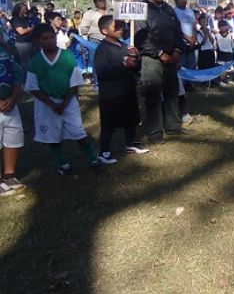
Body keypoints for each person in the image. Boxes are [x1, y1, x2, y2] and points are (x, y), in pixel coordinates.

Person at [25, 24, 115, 174]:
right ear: (37, 41)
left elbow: (74, 82)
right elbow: (33, 87)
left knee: (78, 132)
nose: (49, 41)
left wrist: (65, 103)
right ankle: (62, 163)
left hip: (68, 102)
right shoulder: (35, 62)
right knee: (52, 136)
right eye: (44, 38)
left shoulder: (67, 56)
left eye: (52, 37)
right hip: (47, 104)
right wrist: (52, 104)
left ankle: (93, 159)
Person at [135, 0, 188, 145]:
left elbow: (178, 32)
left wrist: (177, 51)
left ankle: (173, 126)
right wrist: (159, 53)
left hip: (172, 56)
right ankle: (155, 133)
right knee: (153, 95)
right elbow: (141, 38)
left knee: (172, 92)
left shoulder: (168, 9)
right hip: (152, 59)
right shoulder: (141, 10)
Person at [94, 16, 149, 159]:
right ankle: (104, 152)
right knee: (109, 125)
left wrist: (136, 58)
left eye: (121, 26)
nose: (121, 29)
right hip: (111, 94)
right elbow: (102, 72)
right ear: (104, 30)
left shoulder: (125, 46)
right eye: (116, 26)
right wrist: (124, 65)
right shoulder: (102, 49)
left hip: (127, 90)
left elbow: (135, 67)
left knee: (130, 120)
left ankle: (131, 144)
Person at [0, 26, 24, 196]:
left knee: (13, 137)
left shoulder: (6, 51)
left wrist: (14, 97)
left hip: (10, 103)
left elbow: (17, 74)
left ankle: (9, 175)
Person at [10, 3, 34, 80]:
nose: (25, 10)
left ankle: (29, 80)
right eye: (23, 9)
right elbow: (21, 31)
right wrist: (31, 28)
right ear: (18, 9)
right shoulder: (15, 19)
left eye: (26, 9)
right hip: (22, 43)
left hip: (30, 42)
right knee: (24, 64)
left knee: (29, 63)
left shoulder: (26, 19)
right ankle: (23, 82)